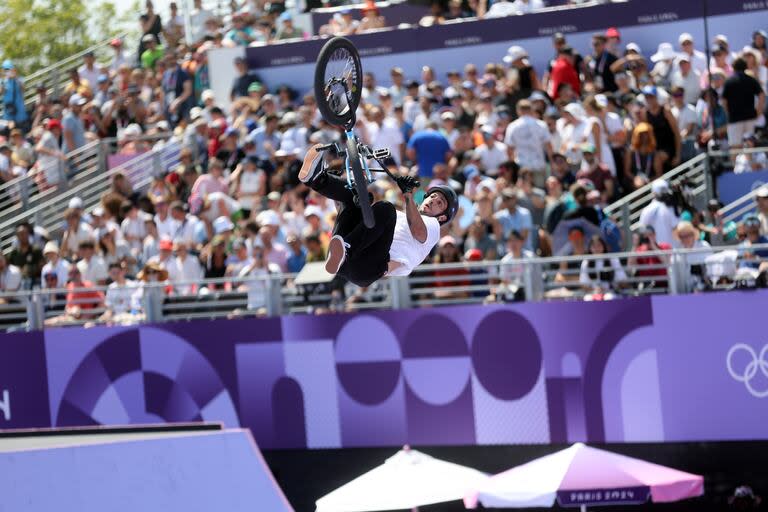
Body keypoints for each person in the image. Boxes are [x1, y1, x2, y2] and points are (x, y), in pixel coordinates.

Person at [299, 144, 457, 287]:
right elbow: (347, 213)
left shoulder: (433, 226)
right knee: (362, 198)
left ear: (441, 217)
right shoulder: (401, 217)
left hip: (364, 268)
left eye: (440, 203)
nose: (434, 200)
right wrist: (338, 189)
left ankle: (345, 250)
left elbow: (417, 232)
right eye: (433, 196)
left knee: (386, 208)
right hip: (345, 261)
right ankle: (318, 179)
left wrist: (407, 194)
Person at [721, 57, 765, 150]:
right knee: (750, 146)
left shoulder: (729, 82)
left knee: (735, 148)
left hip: (734, 120)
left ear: (733, 68)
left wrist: (728, 113)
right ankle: (748, 164)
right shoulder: (751, 80)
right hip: (750, 118)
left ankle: (737, 165)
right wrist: (759, 111)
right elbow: (762, 95)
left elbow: (723, 101)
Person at [1, 60, 28, 131]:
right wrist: (3, 79)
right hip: (9, 112)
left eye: (8, 69)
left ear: (13, 69)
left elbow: (23, 90)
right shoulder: (3, 81)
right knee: (11, 131)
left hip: (20, 113)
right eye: (5, 70)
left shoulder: (20, 79)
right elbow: (1, 92)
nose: (7, 71)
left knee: (21, 131)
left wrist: (15, 77)